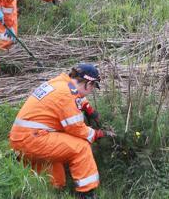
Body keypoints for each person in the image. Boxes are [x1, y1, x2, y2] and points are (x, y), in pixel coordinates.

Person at [9, 64, 112, 198]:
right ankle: (87, 193)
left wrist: (88, 108)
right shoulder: (66, 94)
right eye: (93, 87)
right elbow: (75, 128)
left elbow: (75, 97)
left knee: (56, 183)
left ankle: (52, 190)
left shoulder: (59, 83)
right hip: (33, 140)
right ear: (89, 83)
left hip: (23, 138)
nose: (92, 91)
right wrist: (97, 134)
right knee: (81, 147)